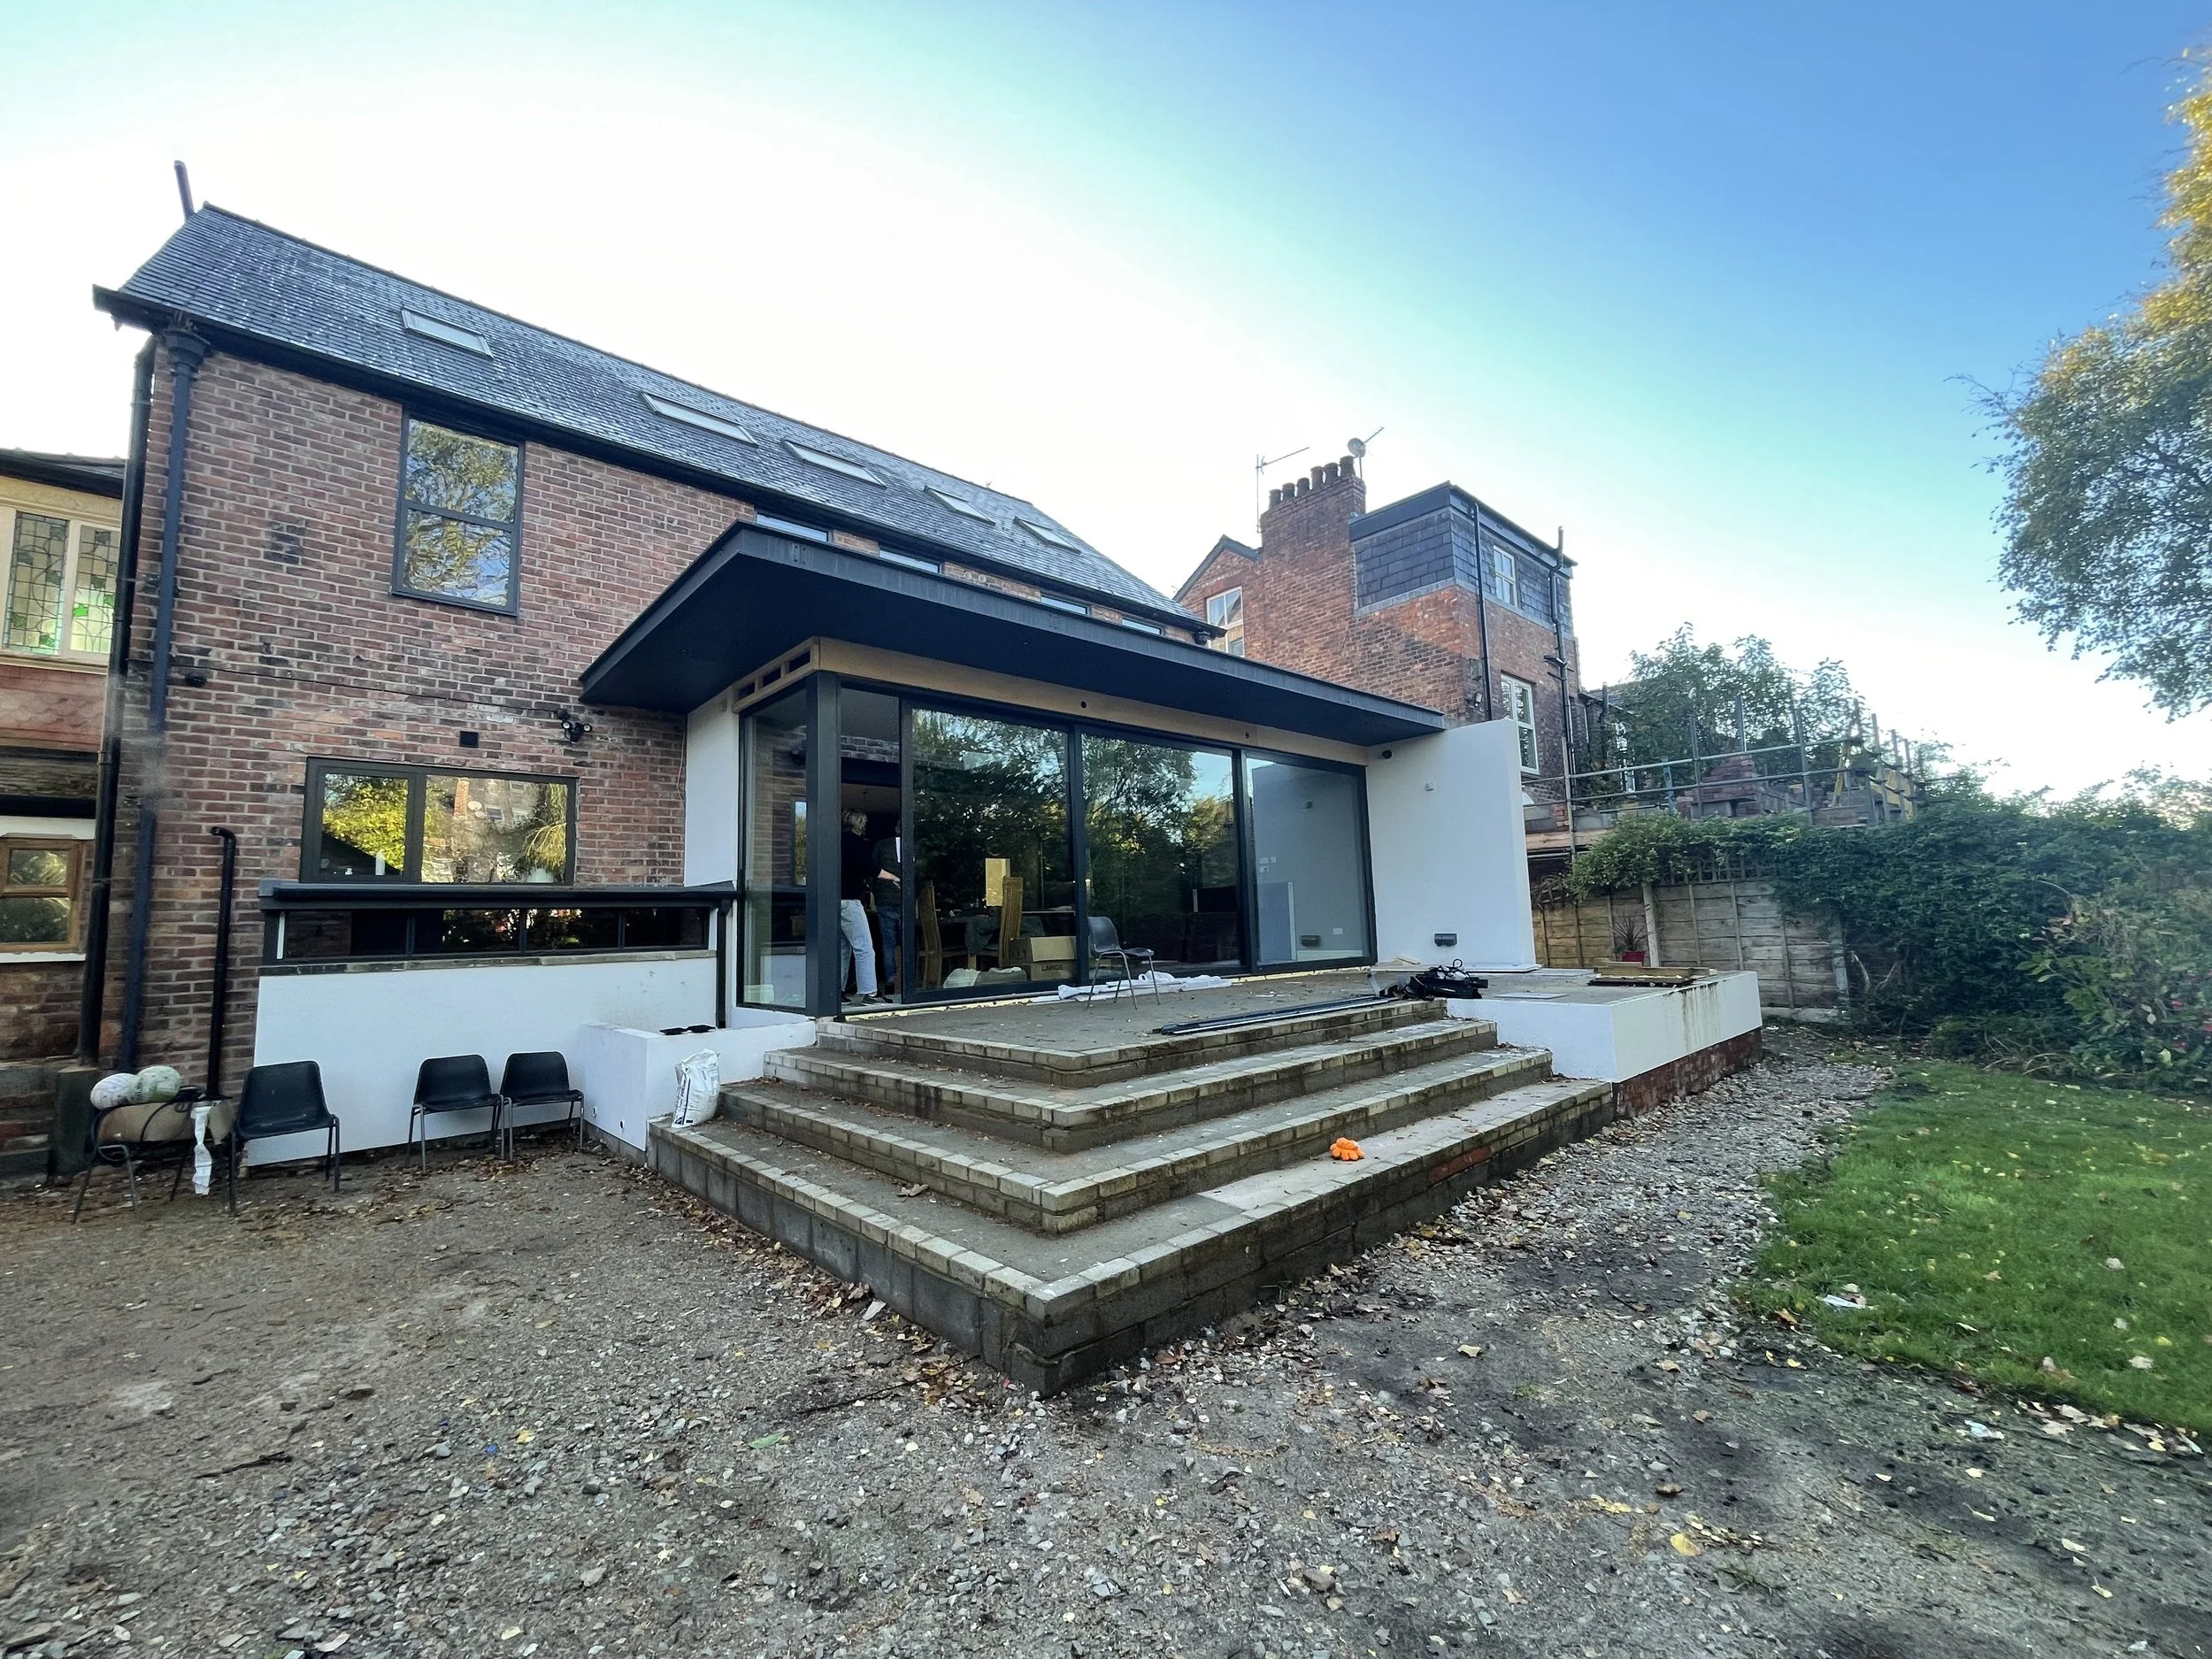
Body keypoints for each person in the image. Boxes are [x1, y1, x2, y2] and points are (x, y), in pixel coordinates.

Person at [838, 811, 880, 1002]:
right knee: (864, 947)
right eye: (864, 823)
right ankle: (869, 992)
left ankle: (836, 991)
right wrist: (895, 877)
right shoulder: (856, 843)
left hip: (833, 900)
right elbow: (868, 868)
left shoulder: (834, 841)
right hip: (850, 900)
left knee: (842, 947)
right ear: (859, 824)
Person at [872, 830, 902, 995]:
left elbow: (872, 871)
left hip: (884, 899)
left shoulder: (881, 845)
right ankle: (906, 977)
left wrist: (876, 892)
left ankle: (891, 978)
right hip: (904, 899)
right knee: (906, 940)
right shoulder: (910, 845)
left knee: (888, 942)